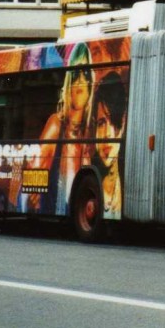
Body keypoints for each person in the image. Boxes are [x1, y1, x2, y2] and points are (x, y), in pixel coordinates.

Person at [29, 58, 93, 214]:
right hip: (53, 204)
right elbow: (37, 169)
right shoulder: (56, 124)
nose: (80, 81)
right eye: (76, 76)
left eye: (85, 76)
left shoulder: (90, 133)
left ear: (91, 89)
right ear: (68, 87)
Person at [92, 71, 128, 217]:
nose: (107, 134)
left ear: (123, 123)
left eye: (113, 121)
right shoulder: (89, 169)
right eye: (101, 123)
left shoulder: (127, 180)